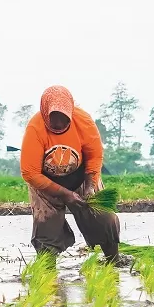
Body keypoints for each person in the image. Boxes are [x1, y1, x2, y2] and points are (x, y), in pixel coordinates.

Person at [19, 85, 122, 263]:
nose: (59, 124)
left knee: (104, 218)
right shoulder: (35, 128)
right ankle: (47, 273)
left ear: (71, 112)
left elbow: (95, 156)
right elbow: (30, 173)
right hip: (45, 183)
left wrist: (90, 186)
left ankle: (114, 262)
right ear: (45, 112)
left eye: (64, 118)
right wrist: (65, 194)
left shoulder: (84, 122)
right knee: (46, 230)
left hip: (81, 177)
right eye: (54, 118)